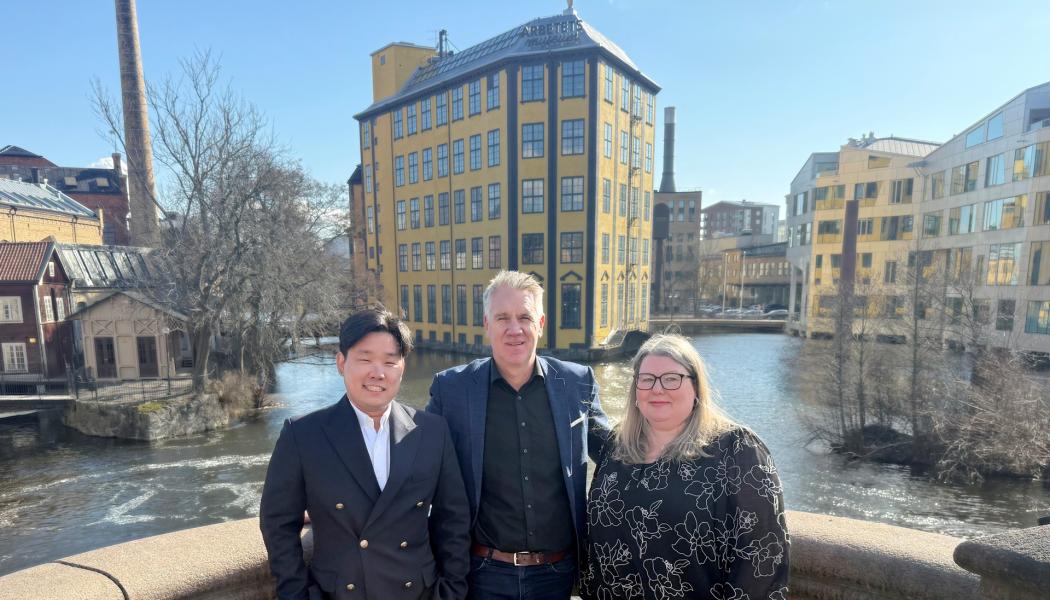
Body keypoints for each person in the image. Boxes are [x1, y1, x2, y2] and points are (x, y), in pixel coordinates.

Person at [260, 308, 471, 600]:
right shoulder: (303, 435)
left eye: (389, 361)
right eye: (365, 359)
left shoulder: (432, 431)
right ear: (341, 363)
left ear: (402, 368)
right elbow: (278, 525)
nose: (378, 372)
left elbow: (454, 520)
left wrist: (451, 591)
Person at [427, 270, 609, 600]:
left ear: (540, 323)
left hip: (557, 573)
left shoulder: (577, 382)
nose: (515, 329)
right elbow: (413, 462)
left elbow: (615, 453)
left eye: (524, 317)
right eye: (503, 318)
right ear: (487, 324)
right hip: (483, 572)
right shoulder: (451, 389)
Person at [580, 334, 789, 600]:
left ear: (696, 386)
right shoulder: (617, 448)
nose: (657, 389)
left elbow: (762, 559)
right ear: (635, 390)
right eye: (646, 379)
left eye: (671, 378)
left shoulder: (736, 450)